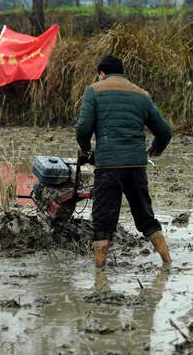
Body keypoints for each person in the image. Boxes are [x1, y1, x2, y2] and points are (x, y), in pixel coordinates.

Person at [75, 55, 172, 268]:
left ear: (101, 73)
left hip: (108, 167)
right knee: (146, 219)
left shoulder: (94, 90)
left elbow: (83, 128)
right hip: (136, 167)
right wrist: (155, 149)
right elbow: (165, 131)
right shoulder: (141, 95)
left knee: (103, 223)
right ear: (122, 73)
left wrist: (86, 149)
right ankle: (167, 263)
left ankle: (99, 276)